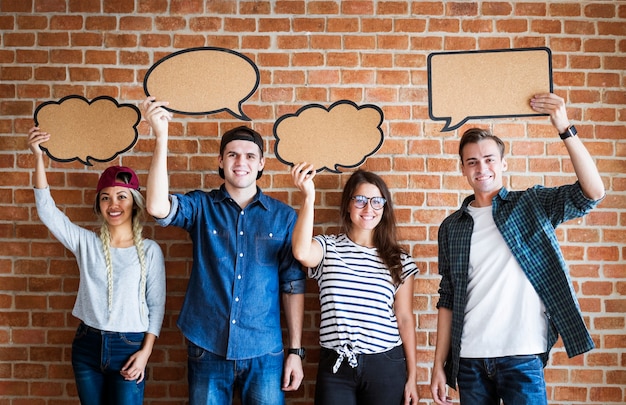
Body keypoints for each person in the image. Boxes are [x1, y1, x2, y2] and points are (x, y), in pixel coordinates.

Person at [430, 93, 605, 405]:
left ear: (503, 164)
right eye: (472, 162)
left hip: (522, 356)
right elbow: (448, 297)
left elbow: (592, 192)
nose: (481, 168)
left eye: (489, 159)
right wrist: (439, 367)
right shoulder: (451, 226)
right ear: (463, 170)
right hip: (469, 360)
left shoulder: (531, 204)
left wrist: (564, 127)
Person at [141, 97, 306, 405]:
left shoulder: (283, 217)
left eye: (249, 156)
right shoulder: (201, 206)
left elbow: (293, 285)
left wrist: (295, 351)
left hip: (264, 351)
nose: (240, 162)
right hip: (207, 344)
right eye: (232, 154)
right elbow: (157, 208)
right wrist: (161, 137)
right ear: (220, 161)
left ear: (261, 164)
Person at [27, 127, 166, 405]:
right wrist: (38, 157)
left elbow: (157, 305)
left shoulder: (150, 251)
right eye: (106, 197)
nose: (113, 204)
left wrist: (145, 353)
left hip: (129, 348)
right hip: (87, 347)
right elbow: (47, 211)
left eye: (121, 196)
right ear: (99, 205)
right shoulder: (86, 243)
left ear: (134, 204)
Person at [291, 164, 420, 405]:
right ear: (348, 205)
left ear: (384, 207)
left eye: (376, 201)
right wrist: (308, 197)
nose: (368, 208)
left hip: (385, 364)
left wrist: (412, 376)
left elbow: (404, 318)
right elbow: (300, 251)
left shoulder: (399, 259)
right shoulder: (327, 248)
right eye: (360, 200)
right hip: (336, 365)